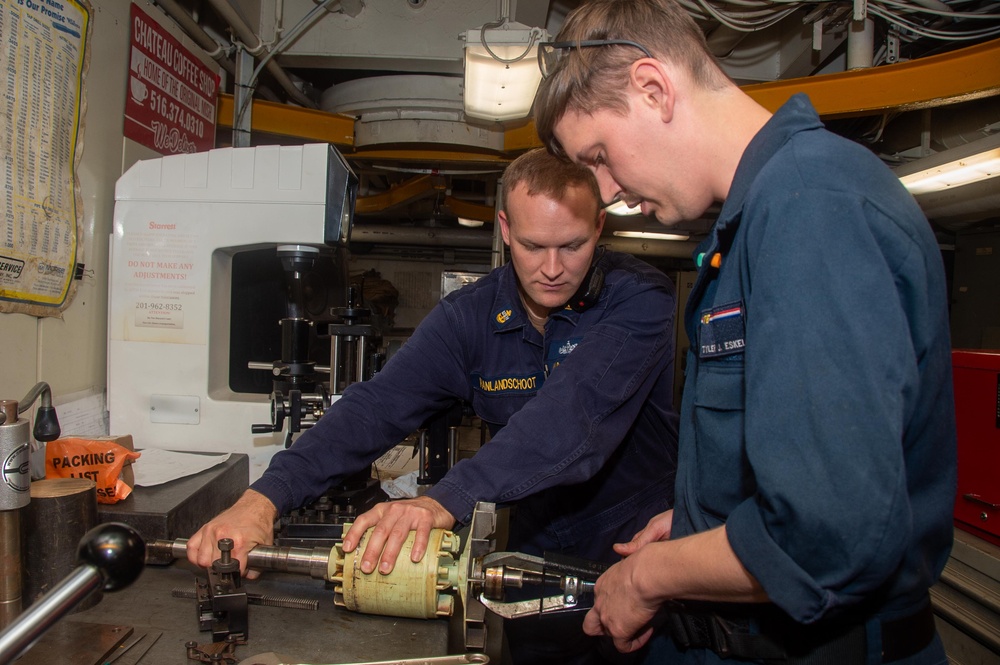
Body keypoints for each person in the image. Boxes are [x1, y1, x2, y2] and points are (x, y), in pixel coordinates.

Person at [532, 1, 957, 663]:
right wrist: (707, 519)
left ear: (653, 87)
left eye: (601, 156)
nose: (608, 191)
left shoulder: (808, 205)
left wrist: (648, 577)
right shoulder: (759, 217)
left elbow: (825, 536)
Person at [188, 147, 681, 664]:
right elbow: (375, 407)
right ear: (506, 229)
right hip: (535, 556)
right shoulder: (468, 319)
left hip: (640, 552)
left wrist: (444, 499)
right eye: (534, 246)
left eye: (572, 246)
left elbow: (573, 417)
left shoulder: (640, 299)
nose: (552, 269)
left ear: (600, 226)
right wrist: (262, 501)